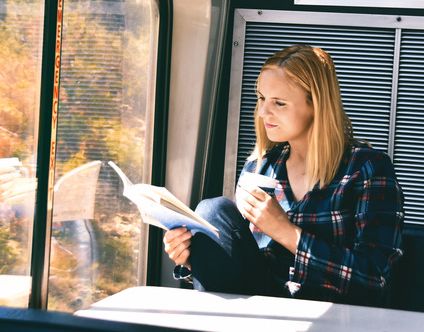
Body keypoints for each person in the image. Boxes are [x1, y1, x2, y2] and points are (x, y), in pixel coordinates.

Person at [163, 44, 404, 306]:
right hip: (262, 311)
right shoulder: (259, 168)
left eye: (279, 103)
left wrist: (285, 232)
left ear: (315, 106)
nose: (263, 112)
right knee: (213, 211)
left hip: (330, 317)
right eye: (261, 98)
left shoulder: (367, 169)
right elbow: (240, 265)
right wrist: (196, 256)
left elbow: (373, 280)